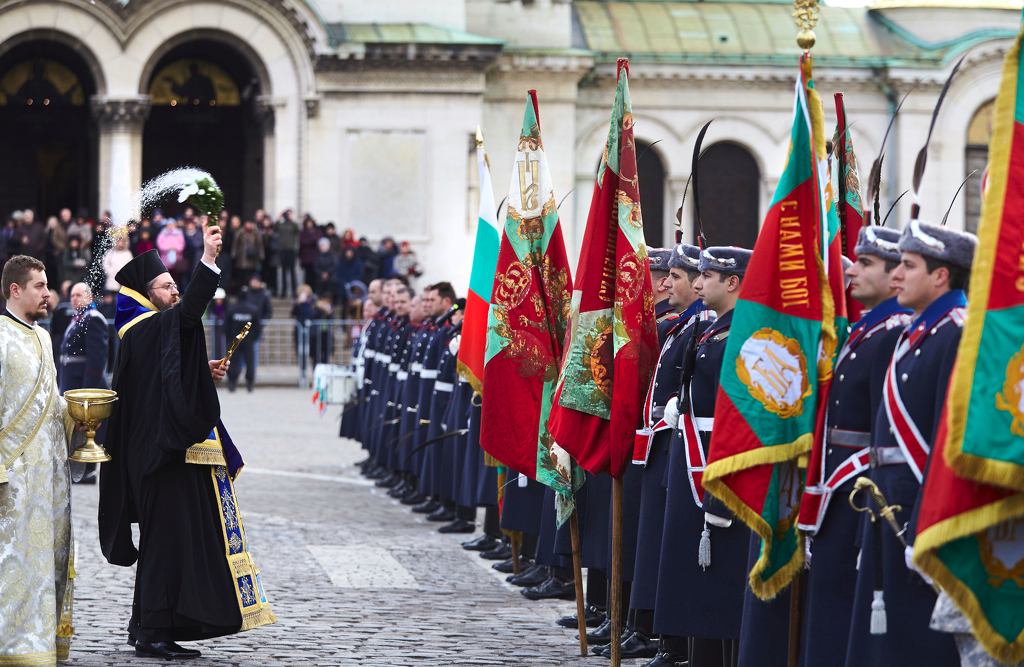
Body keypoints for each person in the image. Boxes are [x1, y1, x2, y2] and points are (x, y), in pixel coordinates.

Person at [98, 228, 276, 659]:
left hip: (166, 453)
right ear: (144, 292)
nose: (174, 291)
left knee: (172, 542)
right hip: (158, 456)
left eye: (176, 285)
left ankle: (148, 626)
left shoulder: (150, 328)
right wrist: (209, 258)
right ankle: (154, 631)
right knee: (165, 544)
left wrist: (200, 369)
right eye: (166, 286)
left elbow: (169, 370)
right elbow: (183, 320)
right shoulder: (138, 327)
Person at [845, 220, 977, 667]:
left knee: (916, 640)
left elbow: (948, 441)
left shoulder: (956, 332)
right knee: (886, 637)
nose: (896, 275)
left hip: (919, 507)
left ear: (941, 276)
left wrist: (926, 523)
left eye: (908, 265)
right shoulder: (919, 332)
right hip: (888, 500)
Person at [656, 246, 752, 667]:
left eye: (707, 276)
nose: (697, 283)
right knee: (692, 565)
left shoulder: (742, 333)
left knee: (719, 570)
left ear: (732, 282)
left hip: (716, 456)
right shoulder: (716, 330)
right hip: (694, 449)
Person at [0, 255, 82, 663]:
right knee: (12, 565)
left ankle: (39, 644)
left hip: (48, 478)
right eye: (39, 286)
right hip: (12, 481)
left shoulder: (46, 338)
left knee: (44, 563)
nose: (49, 293)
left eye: (47, 285)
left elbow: (51, 405)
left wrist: (82, 415)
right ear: (15, 290)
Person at [59, 282, 112, 485]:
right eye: (72, 295)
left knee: (88, 429)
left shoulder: (93, 319)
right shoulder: (77, 319)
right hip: (72, 382)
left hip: (84, 385)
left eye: (79, 295)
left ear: (89, 298)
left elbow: (96, 360)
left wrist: (86, 392)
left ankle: (88, 471)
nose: (74, 299)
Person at [225, 295, 261, 393]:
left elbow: (226, 325)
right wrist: (253, 338)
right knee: (249, 362)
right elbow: (257, 327)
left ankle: (232, 383)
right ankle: (249, 383)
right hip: (248, 340)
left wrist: (229, 338)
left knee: (232, 362)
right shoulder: (253, 309)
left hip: (234, 339)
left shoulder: (232, 309)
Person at [230, 219, 264, 288]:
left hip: (252, 258)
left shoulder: (256, 233)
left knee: (251, 273)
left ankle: (250, 288)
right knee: (242, 274)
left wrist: (261, 256)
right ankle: (242, 288)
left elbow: (260, 245)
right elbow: (235, 244)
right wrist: (234, 254)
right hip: (242, 257)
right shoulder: (240, 232)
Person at [274, 210, 299, 297]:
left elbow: (298, 230)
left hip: (291, 251)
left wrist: (293, 218)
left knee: (292, 272)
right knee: (283, 272)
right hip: (282, 250)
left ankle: (294, 291)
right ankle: (283, 292)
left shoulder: (293, 225)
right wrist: (279, 218)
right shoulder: (281, 225)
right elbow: (275, 228)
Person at [298, 217, 322, 288]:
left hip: (315, 257)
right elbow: (302, 242)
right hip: (306, 258)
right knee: (307, 276)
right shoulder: (303, 233)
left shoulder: (317, 232)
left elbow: (319, 241)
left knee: (315, 275)